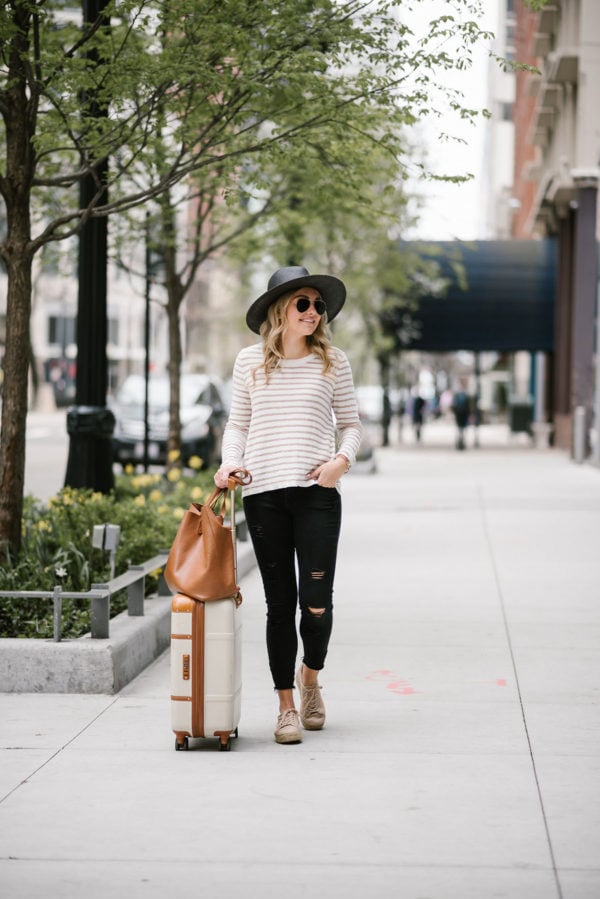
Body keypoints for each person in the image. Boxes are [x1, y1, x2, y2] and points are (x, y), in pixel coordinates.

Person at [214, 266, 362, 745]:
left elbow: (352, 424)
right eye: (304, 303)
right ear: (280, 309)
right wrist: (228, 465)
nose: (314, 312)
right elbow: (237, 425)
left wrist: (341, 461)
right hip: (264, 497)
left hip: (318, 497)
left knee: (316, 605)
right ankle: (284, 707)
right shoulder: (249, 363)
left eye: (319, 306)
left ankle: (311, 680)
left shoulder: (333, 361)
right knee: (280, 606)